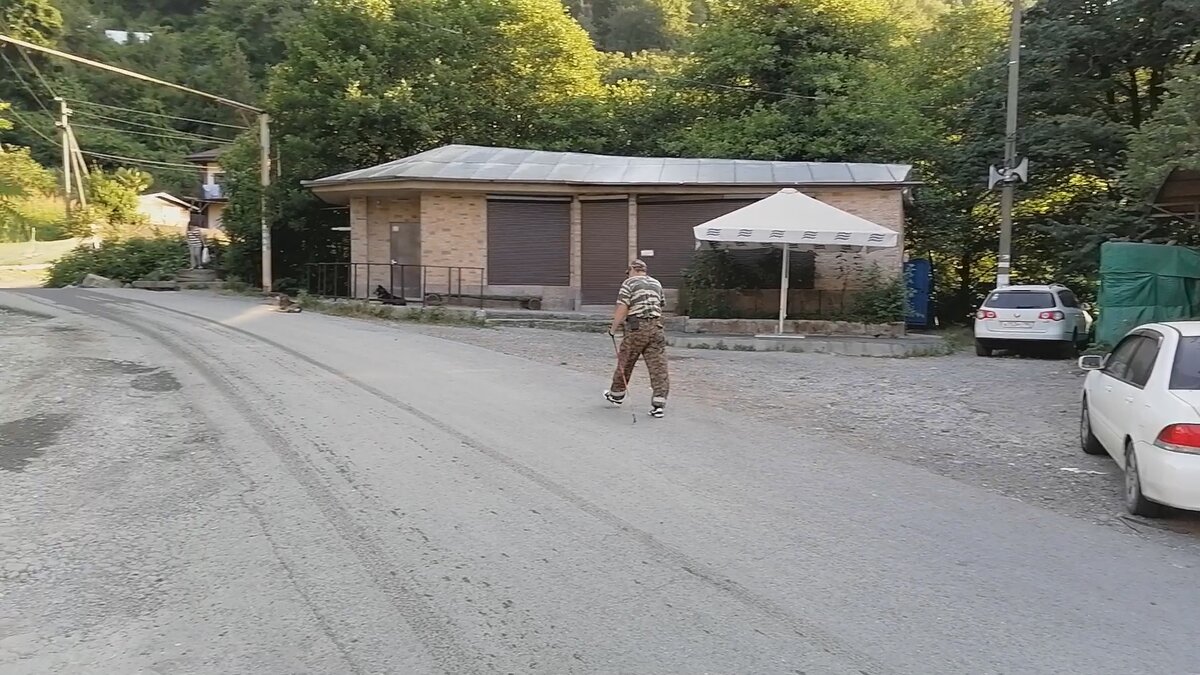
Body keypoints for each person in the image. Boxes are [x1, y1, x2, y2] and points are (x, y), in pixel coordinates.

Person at [605, 259, 670, 418]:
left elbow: (622, 308)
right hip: (657, 327)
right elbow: (661, 305)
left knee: (626, 361)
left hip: (636, 328)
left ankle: (617, 394)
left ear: (632, 270)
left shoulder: (629, 284)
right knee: (658, 366)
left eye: (628, 272)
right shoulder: (656, 283)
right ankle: (659, 403)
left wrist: (613, 328)